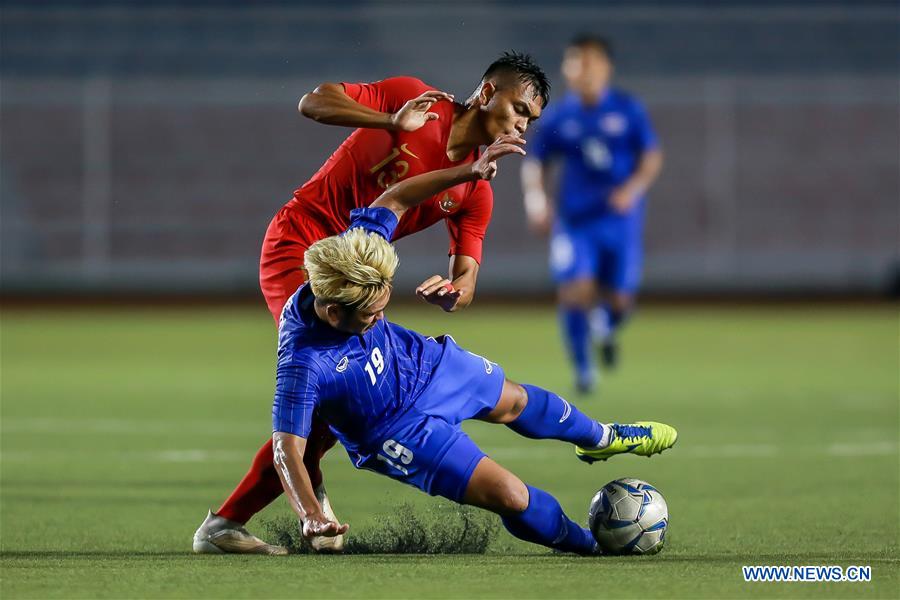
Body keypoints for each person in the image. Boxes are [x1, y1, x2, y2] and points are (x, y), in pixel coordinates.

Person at [194, 53, 550, 555]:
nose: (521, 123)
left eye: (530, 120)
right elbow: (313, 102)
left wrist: (454, 293)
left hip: (354, 283)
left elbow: (466, 277)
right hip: (299, 244)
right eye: (518, 108)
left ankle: (250, 516)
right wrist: (390, 119)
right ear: (488, 92)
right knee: (333, 376)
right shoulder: (413, 96)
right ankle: (256, 515)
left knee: (339, 390)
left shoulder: (475, 187)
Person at [261, 147, 678, 554]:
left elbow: (396, 197)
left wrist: (468, 172)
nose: (378, 316)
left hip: (424, 364)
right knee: (511, 495)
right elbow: (286, 450)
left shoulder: (357, 253)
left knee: (515, 402)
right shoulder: (303, 361)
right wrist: (310, 515)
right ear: (333, 312)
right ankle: (589, 545)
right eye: (371, 314)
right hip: (397, 431)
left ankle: (601, 438)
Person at [520, 35, 663, 393]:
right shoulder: (559, 115)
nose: (582, 70)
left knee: (619, 300)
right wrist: (537, 200)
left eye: (590, 62)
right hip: (575, 221)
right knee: (574, 290)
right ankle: (584, 370)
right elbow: (535, 162)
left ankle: (607, 325)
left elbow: (651, 156)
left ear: (606, 67)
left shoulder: (628, 110)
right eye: (575, 62)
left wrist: (631, 191)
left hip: (620, 220)